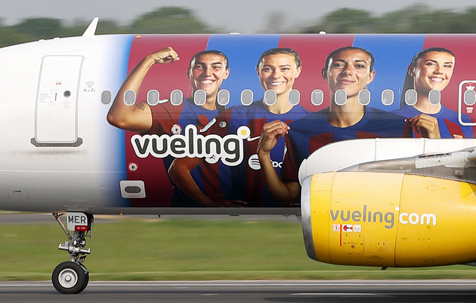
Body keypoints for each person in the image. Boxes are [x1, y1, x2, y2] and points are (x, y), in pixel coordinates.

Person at [267, 46, 410, 203]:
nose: (348, 71)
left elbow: (410, 191)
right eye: (338, 65)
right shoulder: (300, 130)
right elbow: (289, 196)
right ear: (325, 74)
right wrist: (263, 155)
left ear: (370, 76)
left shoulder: (396, 128)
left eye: (359, 66)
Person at [107, 47, 240, 206]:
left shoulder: (228, 116)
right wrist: (149, 60)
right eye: (199, 66)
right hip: (191, 212)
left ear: (226, 73)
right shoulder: (176, 111)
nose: (207, 72)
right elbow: (119, 117)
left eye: (216, 67)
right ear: (189, 73)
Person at [236, 46, 309, 207]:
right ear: (258, 72)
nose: (276, 75)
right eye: (268, 69)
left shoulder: (310, 123)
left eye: (284, 68)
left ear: (298, 71)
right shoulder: (236, 116)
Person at [396, 46, 465, 139]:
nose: (439, 71)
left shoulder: (465, 121)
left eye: (447, 66)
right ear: (411, 70)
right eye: (431, 64)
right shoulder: (393, 119)